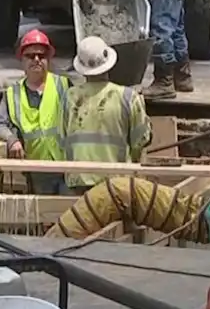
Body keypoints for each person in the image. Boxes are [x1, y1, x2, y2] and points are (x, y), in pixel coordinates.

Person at [63, 36, 152, 195]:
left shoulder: (69, 98)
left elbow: (63, 137)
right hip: (116, 182)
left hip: (78, 182)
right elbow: (141, 140)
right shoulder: (128, 97)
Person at [0, 29, 71, 195]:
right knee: (42, 217)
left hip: (66, 167)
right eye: (30, 56)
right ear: (22, 59)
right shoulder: (13, 93)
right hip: (36, 169)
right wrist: (11, 139)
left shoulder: (63, 85)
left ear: (48, 59)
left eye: (41, 56)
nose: (36, 60)